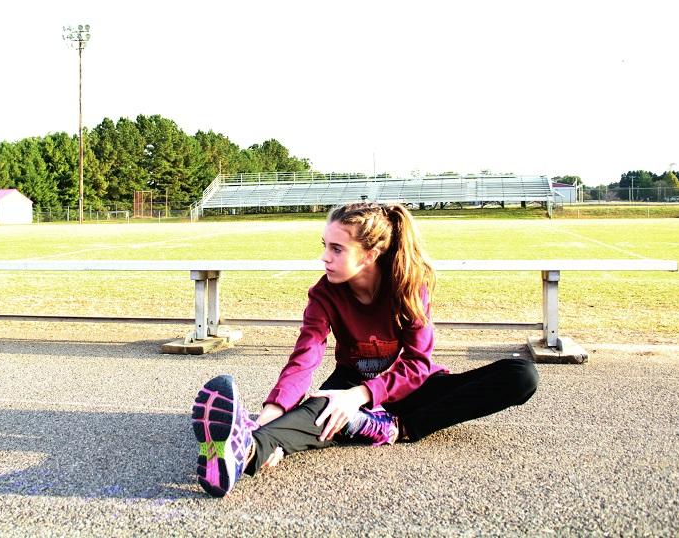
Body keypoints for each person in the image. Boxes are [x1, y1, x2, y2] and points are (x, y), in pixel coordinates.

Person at [191, 202, 539, 498]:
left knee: (520, 375)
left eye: (336, 249)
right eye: (324, 245)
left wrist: (362, 396)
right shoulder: (323, 294)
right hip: (349, 381)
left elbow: (418, 364)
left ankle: (396, 428)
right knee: (320, 408)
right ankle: (246, 450)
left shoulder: (408, 286)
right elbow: (305, 356)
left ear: (370, 254)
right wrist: (270, 413)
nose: (324, 257)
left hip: (409, 388)